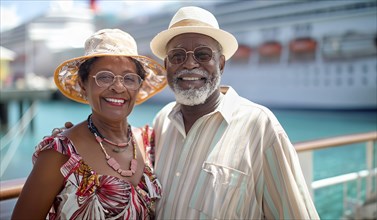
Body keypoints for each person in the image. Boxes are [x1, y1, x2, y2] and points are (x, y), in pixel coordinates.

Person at [149, 6, 320, 219]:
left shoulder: (259, 125)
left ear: (220, 64)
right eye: (177, 56)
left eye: (203, 55)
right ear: (166, 66)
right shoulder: (161, 121)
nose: (190, 64)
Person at [12, 29, 166, 220]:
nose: (118, 87)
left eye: (128, 78)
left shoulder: (149, 142)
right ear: (84, 84)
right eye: (104, 77)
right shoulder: (61, 152)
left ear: (138, 86)